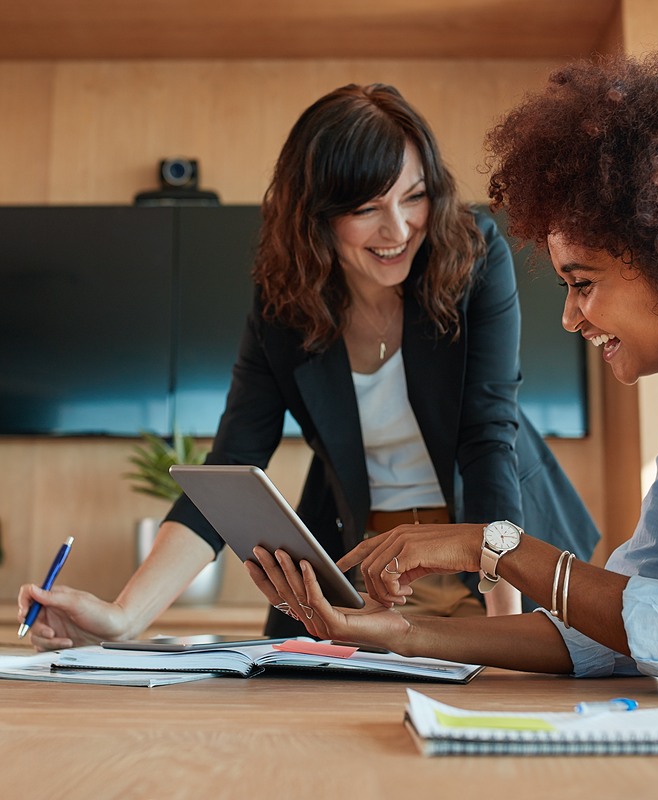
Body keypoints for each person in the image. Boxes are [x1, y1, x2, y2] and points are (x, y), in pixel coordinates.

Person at [246, 51, 658, 698]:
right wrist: (398, 635)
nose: (569, 317)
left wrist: (493, 546)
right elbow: (614, 636)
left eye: (582, 283)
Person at [18, 83, 598, 650]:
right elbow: (231, 467)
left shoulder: (472, 253)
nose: (398, 230)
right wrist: (122, 618)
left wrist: (506, 628)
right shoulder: (285, 303)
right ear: (316, 215)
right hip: (369, 576)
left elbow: (486, 435)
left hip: (495, 562)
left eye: (414, 196)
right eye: (368, 208)